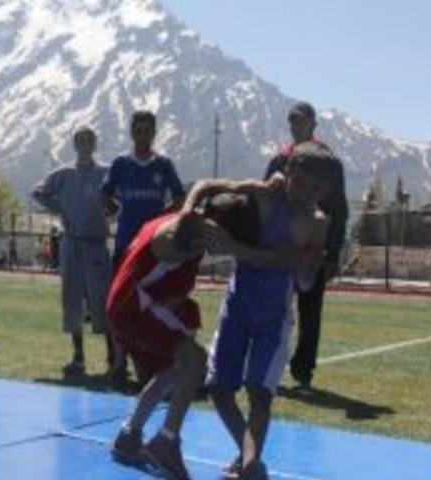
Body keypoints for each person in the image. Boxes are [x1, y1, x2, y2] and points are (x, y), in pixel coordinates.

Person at [108, 173, 290, 480]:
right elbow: (239, 247)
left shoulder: (191, 219)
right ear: (215, 226)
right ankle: (166, 442)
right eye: (230, 238)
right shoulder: (187, 231)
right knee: (195, 361)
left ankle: (129, 434)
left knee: (174, 367)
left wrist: (253, 187)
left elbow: (205, 183)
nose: (225, 249)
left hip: (133, 302)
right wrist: (282, 253)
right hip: (134, 308)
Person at [209, 142, 336, 479]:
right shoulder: (263, 196)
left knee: (259, 394)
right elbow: (209, 189)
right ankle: (249, 457)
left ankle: (251, 464)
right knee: (220, 391)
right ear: (290, 172)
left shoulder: (317, 222)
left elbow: (306, 280)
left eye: (319, 189)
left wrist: (309, 268)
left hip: (274, 317)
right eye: (306, 184)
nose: (312, 194)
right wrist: (199, 212)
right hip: (236, 306)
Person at [264, 101, 348, 389]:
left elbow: (340, 209)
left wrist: (334, 252)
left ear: (313, 123)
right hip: (283, 247)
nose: (295, 125)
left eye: (300, 120)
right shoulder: (281, 159)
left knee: (310, 311)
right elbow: (265, 200)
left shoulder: (329, 163)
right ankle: (269, 365)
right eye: (291, 121)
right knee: (275, 308)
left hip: (315, 250)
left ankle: (303, 371)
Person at [101, 110, 185, 383]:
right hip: (126, 246)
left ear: (154, 133)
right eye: (138, 130)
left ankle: (151, 365)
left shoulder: (163, 165)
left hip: (154, 249)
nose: (143, 135)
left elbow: (181, 197)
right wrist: (113, 208)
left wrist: (167, 220)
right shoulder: (121, 164)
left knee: (153, 306)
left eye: (148, 130)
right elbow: (105, 194)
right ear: (131, 132)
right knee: (119, 306)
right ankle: (118, 363)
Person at [32, 126, 114, 378]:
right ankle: (78, 357)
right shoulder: (64, 175)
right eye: (81, 140)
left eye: (90, 139)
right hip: (71, 243)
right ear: (75, 144)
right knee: (72, 299)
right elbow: (38, 192)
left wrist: (112, 211)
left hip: (96, 244)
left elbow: (120, 200)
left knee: (102, 299)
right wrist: (61, 209)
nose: (86, 144)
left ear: (95, 143)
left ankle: (114, 356)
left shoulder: (106, 173)